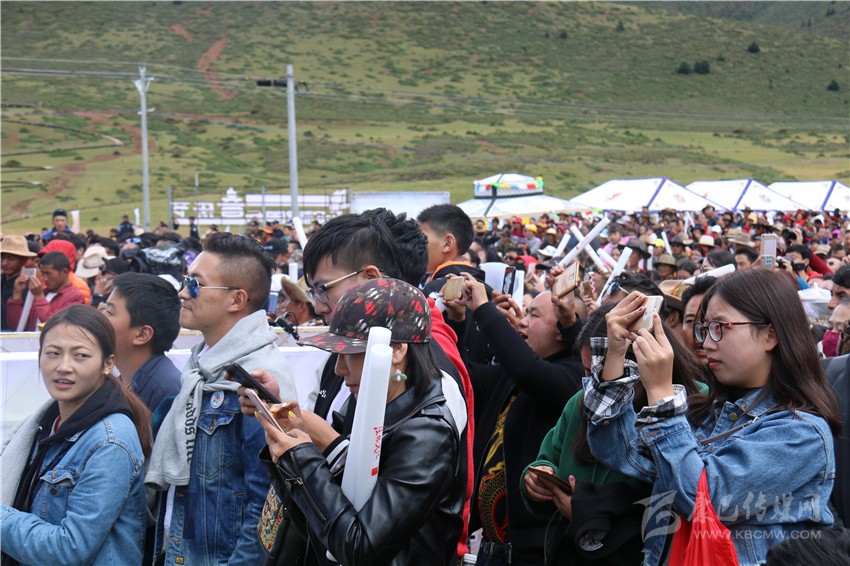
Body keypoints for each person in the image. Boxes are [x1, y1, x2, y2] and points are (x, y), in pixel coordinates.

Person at [584, 270, 839, 565]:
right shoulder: (710, 411)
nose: (706, 343)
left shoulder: (802, 433)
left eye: (720, 327)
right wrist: (614, 359)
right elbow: (621, 453)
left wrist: (662, 394)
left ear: (770, 335)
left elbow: (704, 500)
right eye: (703, 329)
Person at [257, 277, 465, 565]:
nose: (339, 369)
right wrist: (287, 450)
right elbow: (322, 528)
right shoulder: (365, 403)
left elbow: (359, 546)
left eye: (351, 353)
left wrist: (303, 459)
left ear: (396, 350)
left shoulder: (427, 433)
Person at [145, 232, 297, 565]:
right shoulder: (201, 367)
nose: (183, 292)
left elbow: (267, 504)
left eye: (195, 284)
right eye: (185, 280)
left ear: (236, 300)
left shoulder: (257, 378)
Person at [520, 304, 703, 564]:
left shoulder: (694, 405)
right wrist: (537, 479)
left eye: (602, 373)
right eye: (587, 373)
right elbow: (548, 457)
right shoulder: (581, 402)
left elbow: (687, 493)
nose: (594, 386)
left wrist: (589, 512)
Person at [452, 268, 585, 565]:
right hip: (492, 548)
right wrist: (459, 322)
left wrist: (484, 310)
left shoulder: (574, 378)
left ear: (560, 331)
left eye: (533, 315)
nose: (522, 321)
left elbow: (528, 370)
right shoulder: (510, 374)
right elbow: (462, 374)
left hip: (533, 554)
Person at [0, 305, 150, 565]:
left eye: (80, 356)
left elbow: (70, 548)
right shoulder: (46, 422)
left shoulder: (110, 441)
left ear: (107, 363)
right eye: (53, 353)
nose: (63, 367)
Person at [103, 272, 182, 424]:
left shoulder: (167, 391)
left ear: (142, 334)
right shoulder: (121, 380)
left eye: (110, 313)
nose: (100, 319)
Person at [7, 251, 87, 331]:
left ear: (64, 272)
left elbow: (53, 325)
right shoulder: (44, 293)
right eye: (43, 273)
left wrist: (39, 297)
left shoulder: (75, 297)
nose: (45, 278)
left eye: (48, 273)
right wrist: (17, 294)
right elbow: (17, 325)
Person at [1, 235, 38, 331]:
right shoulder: (2, 281)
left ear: (24, 260)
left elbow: (20, 324)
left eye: (11, 259)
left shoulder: (29, 287)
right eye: (2, 258)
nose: (4, 263)